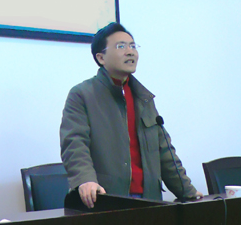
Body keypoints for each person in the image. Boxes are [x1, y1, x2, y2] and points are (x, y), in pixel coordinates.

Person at [60, 22, 202, 209]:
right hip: (107, 199)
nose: (130, 52)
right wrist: (85, 179)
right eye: (121, 46)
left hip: (149, 199)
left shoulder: (143, 98)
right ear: (101, 58)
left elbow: (164, 151)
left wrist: (188, 192)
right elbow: (74, 143)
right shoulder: (82, 95)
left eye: (133, 46)